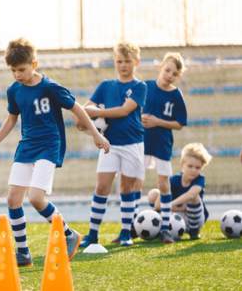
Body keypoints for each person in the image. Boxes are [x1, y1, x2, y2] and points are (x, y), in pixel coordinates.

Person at [0, 38, 110, 266]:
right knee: (13, 199)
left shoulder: (50, 87)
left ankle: (69, 234)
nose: (17, 74)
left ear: (34, 64)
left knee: (36, 198)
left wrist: (96, 135)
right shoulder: (14, 90)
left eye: (22, 69)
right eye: (13, 71)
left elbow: (76, 107)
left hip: (49, 145)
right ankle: (23, 252)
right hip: (26, 146)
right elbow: (11, 119)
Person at [79, 42, 147, 247]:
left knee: (126, 188)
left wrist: (97, 113)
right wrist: (88, 114)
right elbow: (87, 106)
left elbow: (124, 111)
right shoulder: (105, 86)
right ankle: (92, 234)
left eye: (127, 61)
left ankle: (126, 232)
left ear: (136, 62)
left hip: (132, 144)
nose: (123, 65)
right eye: (119, 61)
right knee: (101, 187)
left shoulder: (139, 87)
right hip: (109, 144)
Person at [132, 52, 188, 244]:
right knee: (136, 183)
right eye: (167, 70)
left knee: (164, 184)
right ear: (160, 67)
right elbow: (131, 110)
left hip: (163, 144)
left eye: (174, 73)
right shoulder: (145, 87)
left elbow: (180, 123)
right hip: (142, 142)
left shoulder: (175, 95)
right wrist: (140, 119)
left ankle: (164, 228)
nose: (169, 75)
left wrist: (158, 121)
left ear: (177, 76)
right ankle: (131, 225)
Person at [148, 143, 212, 239]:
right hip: (175, 214)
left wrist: (169, 205)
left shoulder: (200, 179)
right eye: (190, 166)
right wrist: (175, 208)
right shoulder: (173, 180)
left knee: (195, 197)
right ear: (182, 165)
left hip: (194, 219)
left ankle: (194, 231)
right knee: (154, 193)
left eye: (197, 167)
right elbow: (157, 206)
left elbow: (191, 195)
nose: (193, 170)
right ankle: (159, 229)